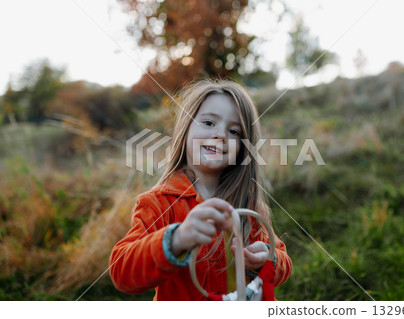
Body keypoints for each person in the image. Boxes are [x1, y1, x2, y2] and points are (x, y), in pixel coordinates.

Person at [109, 79, 292, 300]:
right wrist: (176, 240)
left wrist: (268, 259)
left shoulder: (248, 203)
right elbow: (122, 273)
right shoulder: (157, 203)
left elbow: (282, 264)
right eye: (208, 123)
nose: (220, 135)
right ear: (185, 128)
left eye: (234, 131)